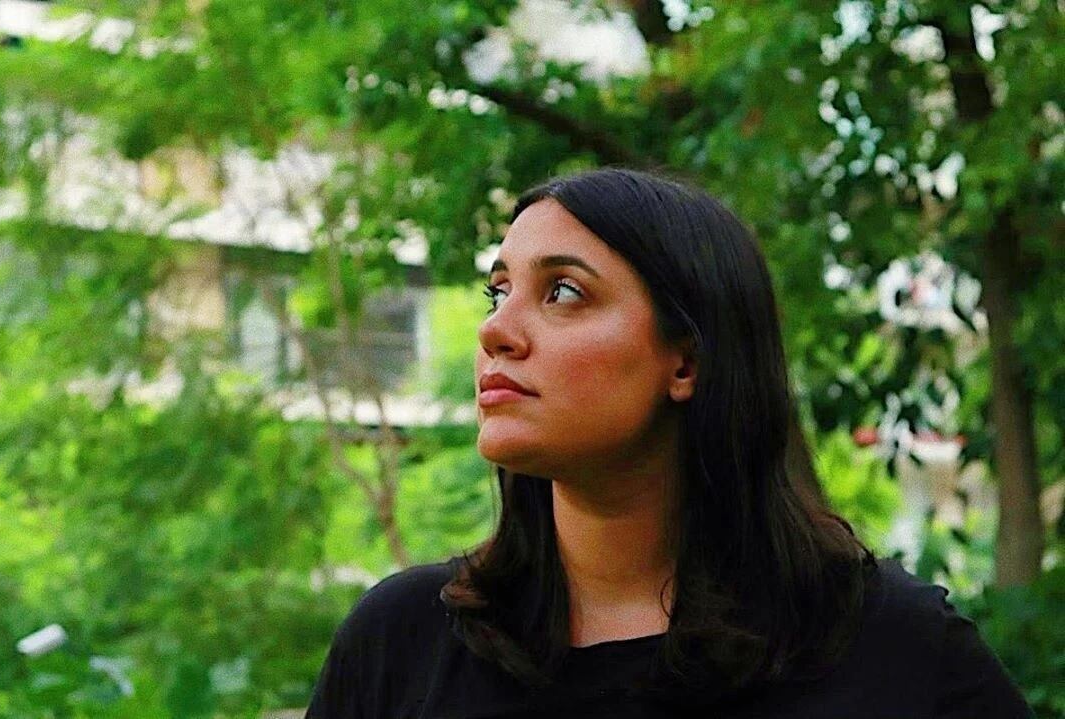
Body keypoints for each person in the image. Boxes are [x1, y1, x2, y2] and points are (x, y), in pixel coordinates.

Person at [305, 168, 1032, 718]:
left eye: (563, 292)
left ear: (686, 360)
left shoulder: (893, 650)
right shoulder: (401, 644)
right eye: (498, 292)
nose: (495, 330)